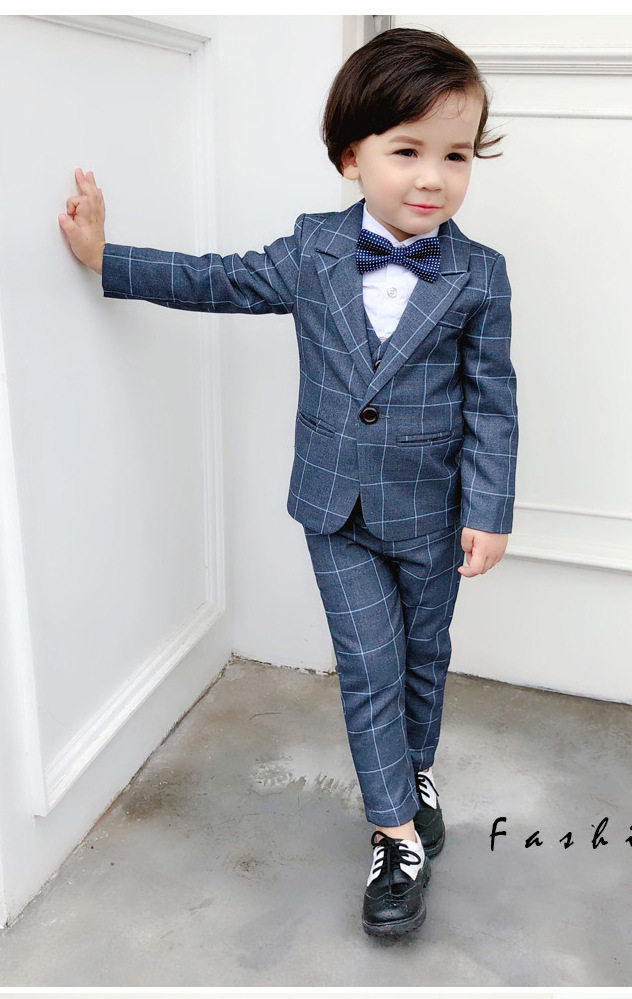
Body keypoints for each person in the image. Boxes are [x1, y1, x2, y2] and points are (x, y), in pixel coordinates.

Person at [59, 26, 519, 938]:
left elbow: (493, 401)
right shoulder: (314, 249)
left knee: (424, 654)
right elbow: (219, 281)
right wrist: (107, 258)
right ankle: (394, 834)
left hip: (433, 513)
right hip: (334, 508)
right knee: (370, 664)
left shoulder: (480, 275)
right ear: (352, 157)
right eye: (407, 152)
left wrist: (490, 509)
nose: (433, 178)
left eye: (456, 155)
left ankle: (414, 772)